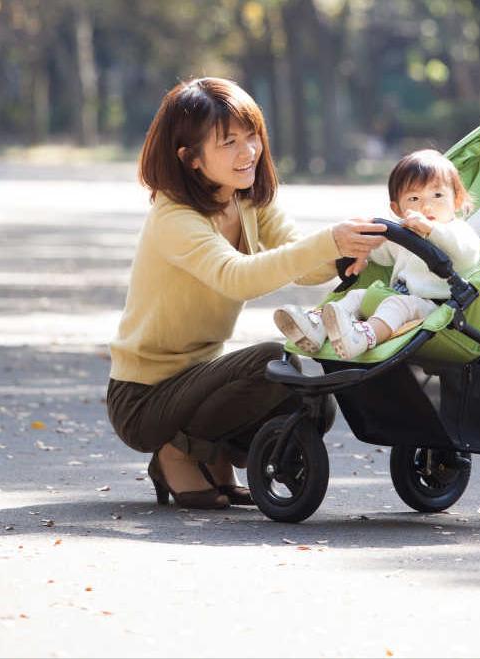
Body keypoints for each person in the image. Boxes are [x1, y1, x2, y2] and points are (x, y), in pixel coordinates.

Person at [106, 77, 386, 510]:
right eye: (229, 142)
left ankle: (212, 455)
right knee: (267, 360)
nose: (248, 150)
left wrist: (346, 252)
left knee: (312, 398)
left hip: (201, 380)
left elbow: (301, 260)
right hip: (145, 396)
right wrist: (329, 241)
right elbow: (236, 276)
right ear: (191, 158)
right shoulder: (173, 217)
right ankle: (175, 453)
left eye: (251, 134)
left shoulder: (247, 199)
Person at [274, 149, 480, 360]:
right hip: (398, 298)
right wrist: (362, 251)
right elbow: (382, 250)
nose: (426, 205)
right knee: (357, 295)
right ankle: (317, 328)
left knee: (397, 305)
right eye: (414, 198)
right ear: (398, 209)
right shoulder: (407, 233)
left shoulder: (459, 230)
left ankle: (364, 337)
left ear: (456, 200)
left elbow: (467, 255)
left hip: (437, 309)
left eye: (438, 195)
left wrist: (432, 230)